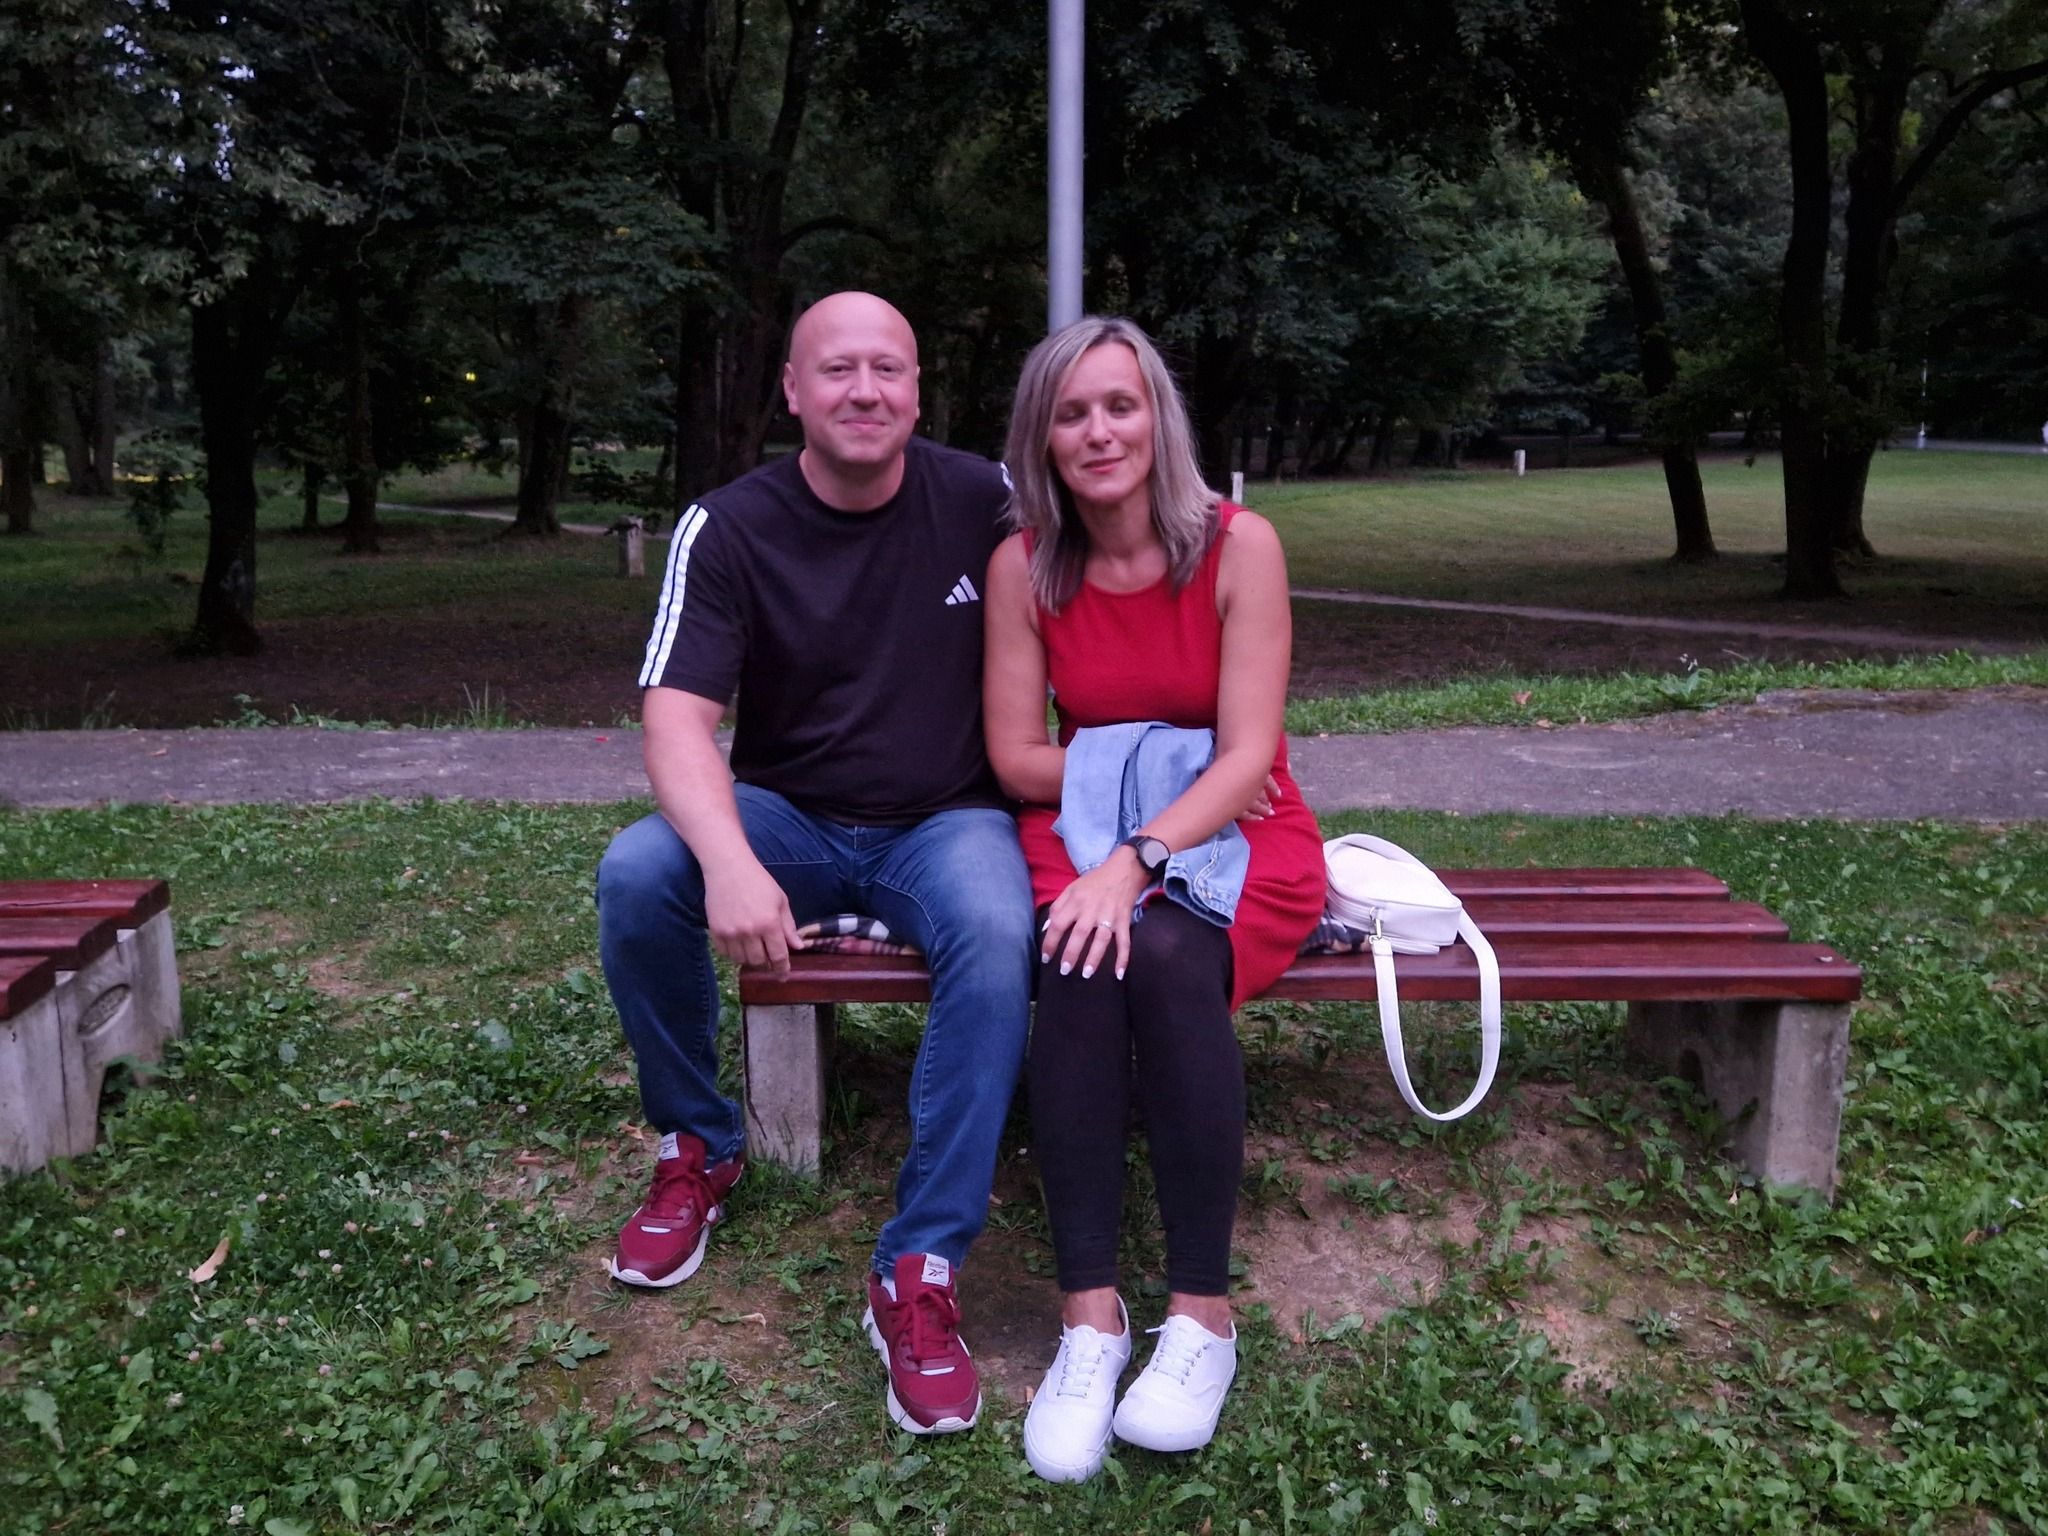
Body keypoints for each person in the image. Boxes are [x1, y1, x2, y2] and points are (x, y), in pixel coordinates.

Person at [596, 291, 1034, 1438]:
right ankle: (697, 1148)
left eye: (888, 368)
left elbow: (1125, 538)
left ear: (918, 390)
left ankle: (919, 1267)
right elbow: (675, 718)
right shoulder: (727, 526)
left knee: (998, 930)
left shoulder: (986, 499)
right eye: (836, 369)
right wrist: (731, 863)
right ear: (792, 389)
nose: (864, 390)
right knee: (638, 873)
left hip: (945, 820)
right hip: (785, 815)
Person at [983, 316, 1324, 1482]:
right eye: (1069, 414)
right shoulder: (1025, 567)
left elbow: (1247, 758)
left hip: (1240, 831)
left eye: (1118, 405)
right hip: (1077, 830)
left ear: (1156, 418)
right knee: (1082, 958)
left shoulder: (1239, 548)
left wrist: (1135, 848)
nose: (1097, 431)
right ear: (1041, 438)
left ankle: (1200, 1319)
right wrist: (1147, 783)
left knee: (1170, 953)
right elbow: (1014, 758)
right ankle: (1089, 1322)